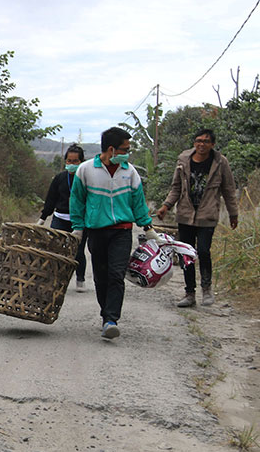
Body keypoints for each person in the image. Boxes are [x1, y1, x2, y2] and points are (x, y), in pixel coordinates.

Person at [70, 127, 155, 340]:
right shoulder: (86, 170)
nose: (127, 153)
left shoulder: (130, 172)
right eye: (124, 149)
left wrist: (148, 227)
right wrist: (78, 227)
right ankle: (105, 314)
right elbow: (77, 200)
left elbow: (138, 202)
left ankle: (111, 320)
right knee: (101, 276)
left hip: (122, 232)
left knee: (117, 274)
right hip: (96, 232)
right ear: (111, 149)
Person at [156, 130, 238, 307]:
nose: (202, 144)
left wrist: (233, 214)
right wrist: (166, 206)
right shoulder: (183, 160)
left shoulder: (220, 162)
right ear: (194, 143)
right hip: (185, 214)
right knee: (186, 254)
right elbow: (176, 187)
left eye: (206, 141)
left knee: (203, 251)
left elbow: (229, 190)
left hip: (207, 214)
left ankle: (206, 288)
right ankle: (189, 293)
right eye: (198, 141)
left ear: (212, 145)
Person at [37, 143, 90, 290]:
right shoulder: (60, 178)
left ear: (81, 162)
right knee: (56, 249)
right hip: (60, 218)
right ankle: (56, 279)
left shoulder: (86, 179)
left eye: (75, 161)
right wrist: (43, 218)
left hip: (79, 221)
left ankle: (80, 279)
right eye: (69, 161)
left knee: (78, 251)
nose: (71, 164)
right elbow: (51, 199)